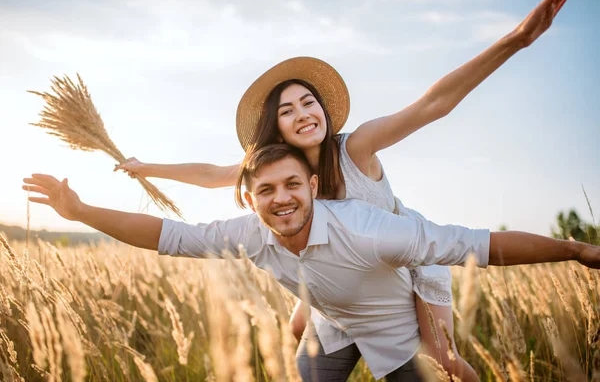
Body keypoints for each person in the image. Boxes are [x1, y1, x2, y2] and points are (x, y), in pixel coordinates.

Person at [114, 0, 575, 379]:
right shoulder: (284, 172)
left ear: (324, 108)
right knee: (299, 329)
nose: (303, 114)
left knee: (441, 359)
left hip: (404, 261)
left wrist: (518, 38)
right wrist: (147, 167)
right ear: (277, 128)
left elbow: (432, 105)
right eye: (287, 110)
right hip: (342, 269)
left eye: (308, 101)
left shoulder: (355, 147)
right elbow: (214, 174)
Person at [23, 143, 599, 381]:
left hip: (395, 337)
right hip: (329, 325)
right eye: (265, 189)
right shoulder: (246, 232)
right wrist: (80, 210)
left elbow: (477, 245)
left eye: (292, 184)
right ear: (249, 198)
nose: (281, 199)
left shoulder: (369, 229)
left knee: (442, 365)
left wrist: (574, 250)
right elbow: (166, 234)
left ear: (313, 184)